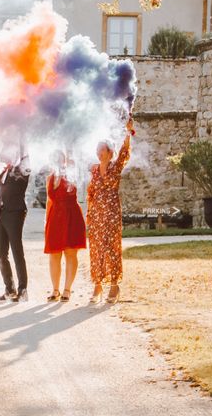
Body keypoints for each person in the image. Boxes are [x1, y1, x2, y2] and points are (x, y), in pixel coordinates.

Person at [86, 117, 135, 304]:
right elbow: (90, 192)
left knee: (112, 248)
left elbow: (125, 152)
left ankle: (114, 286)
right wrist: (89, 215)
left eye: (102, 150)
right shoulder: (94, 170)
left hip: (112, 212)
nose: (99, 153)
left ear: (109, 152)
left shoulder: (115, 167)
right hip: (97, 213)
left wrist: (128, 132)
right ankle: (97, 286)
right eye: (97, 150)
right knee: (97, 249)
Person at [43, 151, 86, 303]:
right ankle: (55, 289)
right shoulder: (49, 178)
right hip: (54, 218)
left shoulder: (71, 173)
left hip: (71, 216)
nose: (56, 162)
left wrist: (68, 148)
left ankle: (67, 290)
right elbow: (49, 201)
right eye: (53, 159)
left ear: (64, 161)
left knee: (70, 253)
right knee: (54, 255)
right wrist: (46, 221)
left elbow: (71, 158)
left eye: (59, 159)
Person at [0, 137, 31, 302]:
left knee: (17, 251)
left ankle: (23, 290)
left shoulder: (22, 168)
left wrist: (22, 136)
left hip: (15, 212)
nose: (1, 153)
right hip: (1, 213)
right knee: (1, 253)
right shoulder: (6, 170)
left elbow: (25, 156)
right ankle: (9, 289)